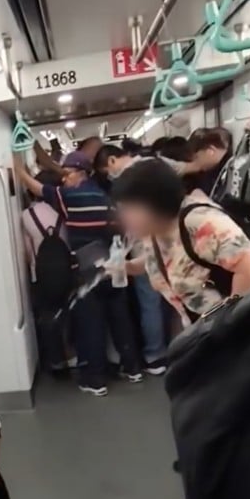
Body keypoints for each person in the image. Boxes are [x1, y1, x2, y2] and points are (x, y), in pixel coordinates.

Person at [15, 151, 143, 396]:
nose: (64, 180)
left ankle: (95, 381)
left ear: (79, 173)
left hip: (88, 270)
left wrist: (18, 170)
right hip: (114, 264)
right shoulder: (104, 195)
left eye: (67, 174)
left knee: (90, 324)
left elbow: (40, 189)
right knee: (120, 319)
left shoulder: (73, 196)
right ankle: (133, 368)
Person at [113, 159, 250, 324]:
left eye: (131, 210)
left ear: (157, 202)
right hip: (202, 329)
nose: (124, 218)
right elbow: (169, 260)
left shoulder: (200, 222)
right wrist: (129, 267)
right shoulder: (154, 231)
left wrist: (230, 322)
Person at [93, 145, 169, 374]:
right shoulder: (153, 165)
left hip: (146, 239)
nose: (109, 176)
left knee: (149, 299)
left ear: (113, 160)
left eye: (107, 170)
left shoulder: (133, 178)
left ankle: (155, 355)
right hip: (162, 237)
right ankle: (163, 352)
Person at [21, 170, 74, 374]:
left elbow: (26, 251)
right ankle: (74, 355)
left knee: (48, 317)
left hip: (42, 275)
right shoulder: (66, 210)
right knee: (70, 314)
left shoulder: (27, 216)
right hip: (69, 271)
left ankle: (56, 362)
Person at [188, 127, 233, 196]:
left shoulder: (231, 172)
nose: (195, 163)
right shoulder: (223, 169)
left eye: (197, 157)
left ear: (210, 151)